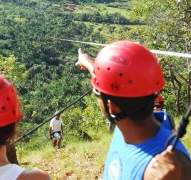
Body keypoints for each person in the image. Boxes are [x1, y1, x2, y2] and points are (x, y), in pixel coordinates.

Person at [75, 41, 191, 179]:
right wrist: (87, 61)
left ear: (112, 106)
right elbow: (114, 79)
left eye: (97, 93)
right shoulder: (129, 124)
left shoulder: (166, 169)